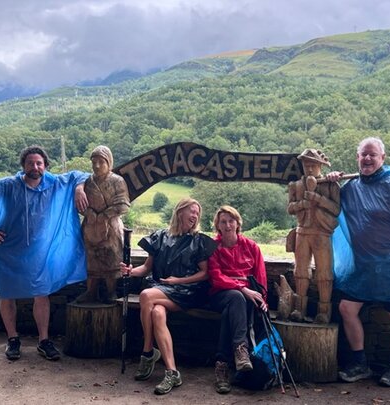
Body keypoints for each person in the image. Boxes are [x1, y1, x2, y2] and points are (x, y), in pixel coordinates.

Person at [0, 145, 89, 361]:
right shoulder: (8, 186)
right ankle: (13, 340)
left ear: (46, 166)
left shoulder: (55, 183)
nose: (35, 167)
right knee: (7, 294)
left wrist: (79, 188)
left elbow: (80, 174)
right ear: (23, 166)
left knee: (42, 293)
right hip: (8, 250)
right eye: (30, 163)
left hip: (40, 254)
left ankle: (44, 341)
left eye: (39, 163)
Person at [120, 197, 216, 395]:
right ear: (180, 212)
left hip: (188, 291)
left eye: (198, 213)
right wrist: (130, 271)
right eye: (192, 211)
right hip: (162, 289)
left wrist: (177, 281)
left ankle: (147, 352)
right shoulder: (160, 237)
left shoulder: (198, 240)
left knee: (146, 295)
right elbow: (146, 268)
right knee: (157, 314)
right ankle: (172, 372)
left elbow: (205, 273)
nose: (195, 216)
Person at [328, 137, 390, 387]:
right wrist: (331, 182)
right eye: (363, 155)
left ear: (383, 157)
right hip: (362, 268)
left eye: (372, 154)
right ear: (357, 157)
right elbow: (327, 204)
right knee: (347, 309)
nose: (367, 159)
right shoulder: (350, 187)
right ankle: (360, 363)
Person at [207, 205, 267, 394]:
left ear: (237, 223)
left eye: (231, 221)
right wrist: (242, 287)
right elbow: (216, 277)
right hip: (219, 295)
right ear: (217, 225)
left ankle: (222, 367)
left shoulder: (251, 247)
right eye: (223, 222)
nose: (227, 225)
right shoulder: (213, 247)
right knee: (236, 297)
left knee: (233, 309)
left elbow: (260, 277)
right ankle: (241, 349)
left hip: (243, 300)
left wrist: (262, 298)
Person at [287, 148, 340, 323]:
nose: (309, 169)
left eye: (313, 165)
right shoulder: (295, 185)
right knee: (301, 271)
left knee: (324, 272)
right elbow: (290, 208)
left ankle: (323, 311)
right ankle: (299, 309)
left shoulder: (330, 185)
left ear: (320, 166)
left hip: (322, 234)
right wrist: (303, 203)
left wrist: (317, 199)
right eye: (306, 165)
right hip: (302, 232)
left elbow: (336, 209)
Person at [76, 145, 130, 304]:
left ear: (109, 163)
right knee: (91, 259)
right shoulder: (86, 181)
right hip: (90, 226)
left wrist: (106, 214)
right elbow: (79, 203)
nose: (97, 166)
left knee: (111, 257)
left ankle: (110, 291)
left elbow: (124, 204)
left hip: (111, 227)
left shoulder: (117, 181)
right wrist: (89, 213)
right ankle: (90, 291)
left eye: (101, 162)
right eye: (94, 162)